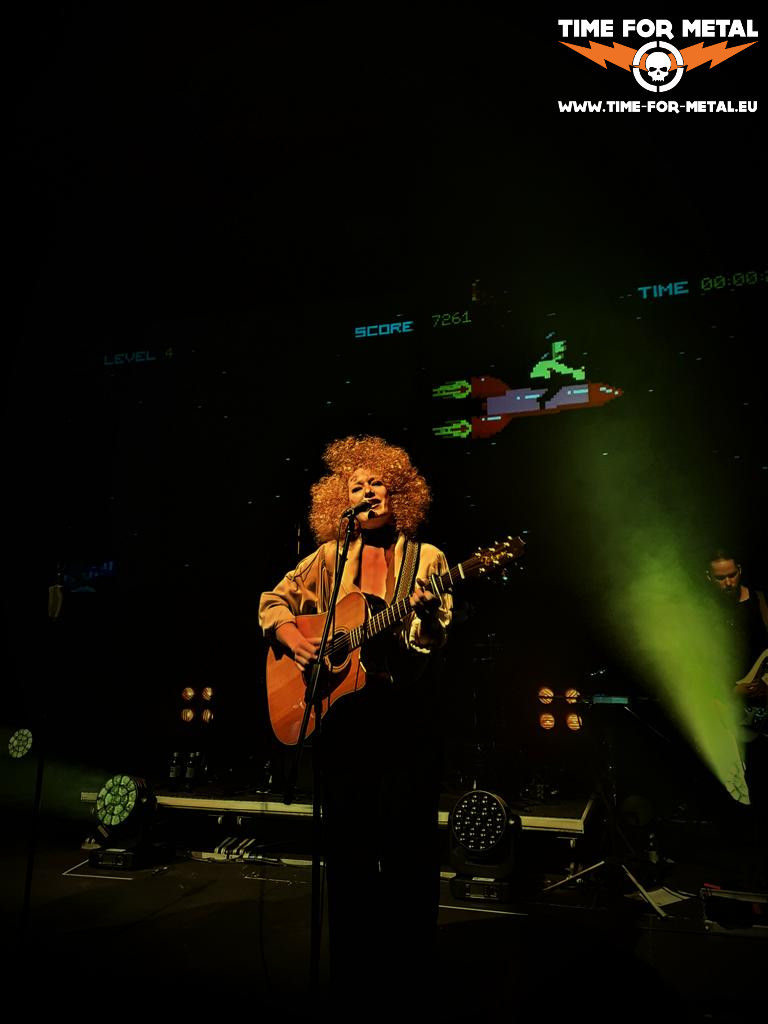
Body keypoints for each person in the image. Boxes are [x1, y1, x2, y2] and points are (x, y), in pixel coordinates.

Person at [259, 435, 452, 1016]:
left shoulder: (428, 559)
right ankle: (351, 977)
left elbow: (431, 641)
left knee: (407, 851)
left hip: (405, 721)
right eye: (356, 486)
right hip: (344, 727)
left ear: (400, 493)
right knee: (347, 853)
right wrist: (294, 641)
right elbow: (273, 601)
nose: (366, 492)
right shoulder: (327, 558)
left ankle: (408, 977)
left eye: (377, 483)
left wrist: (424, 619)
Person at [706, 547, 768, 884]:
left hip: (761, 711)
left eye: (732, 575)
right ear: (709, 578)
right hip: (723, 711)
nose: (728, 582)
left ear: (740, 570)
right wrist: (731, 692)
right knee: (730, 790)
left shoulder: (761, 603)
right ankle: (736, 873)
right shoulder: (705, 611)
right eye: (721, 578)